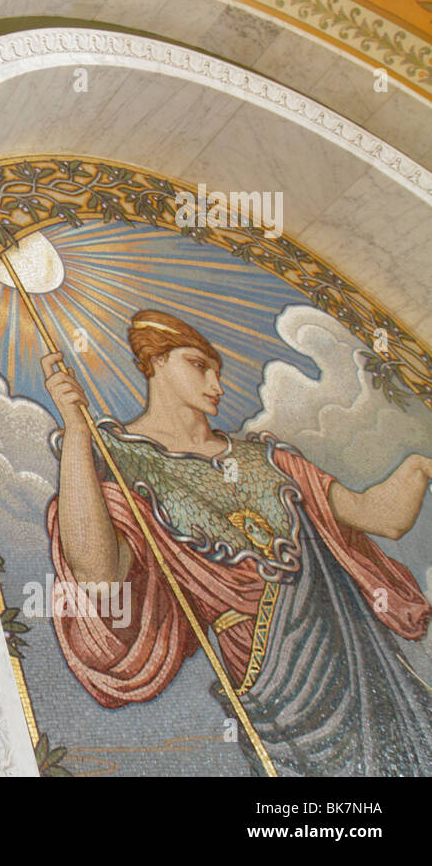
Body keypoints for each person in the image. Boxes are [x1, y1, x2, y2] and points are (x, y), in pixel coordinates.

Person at [44, 308, 432, 775]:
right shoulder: (123, 465)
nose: (217, 384)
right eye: (199, 365)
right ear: (157, 362)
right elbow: (97, 575)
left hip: (354, 660)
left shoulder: (267, 459)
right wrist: (77, 432)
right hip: (272, 681)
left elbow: (379, 517)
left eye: (219, 371)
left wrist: (420, 467)